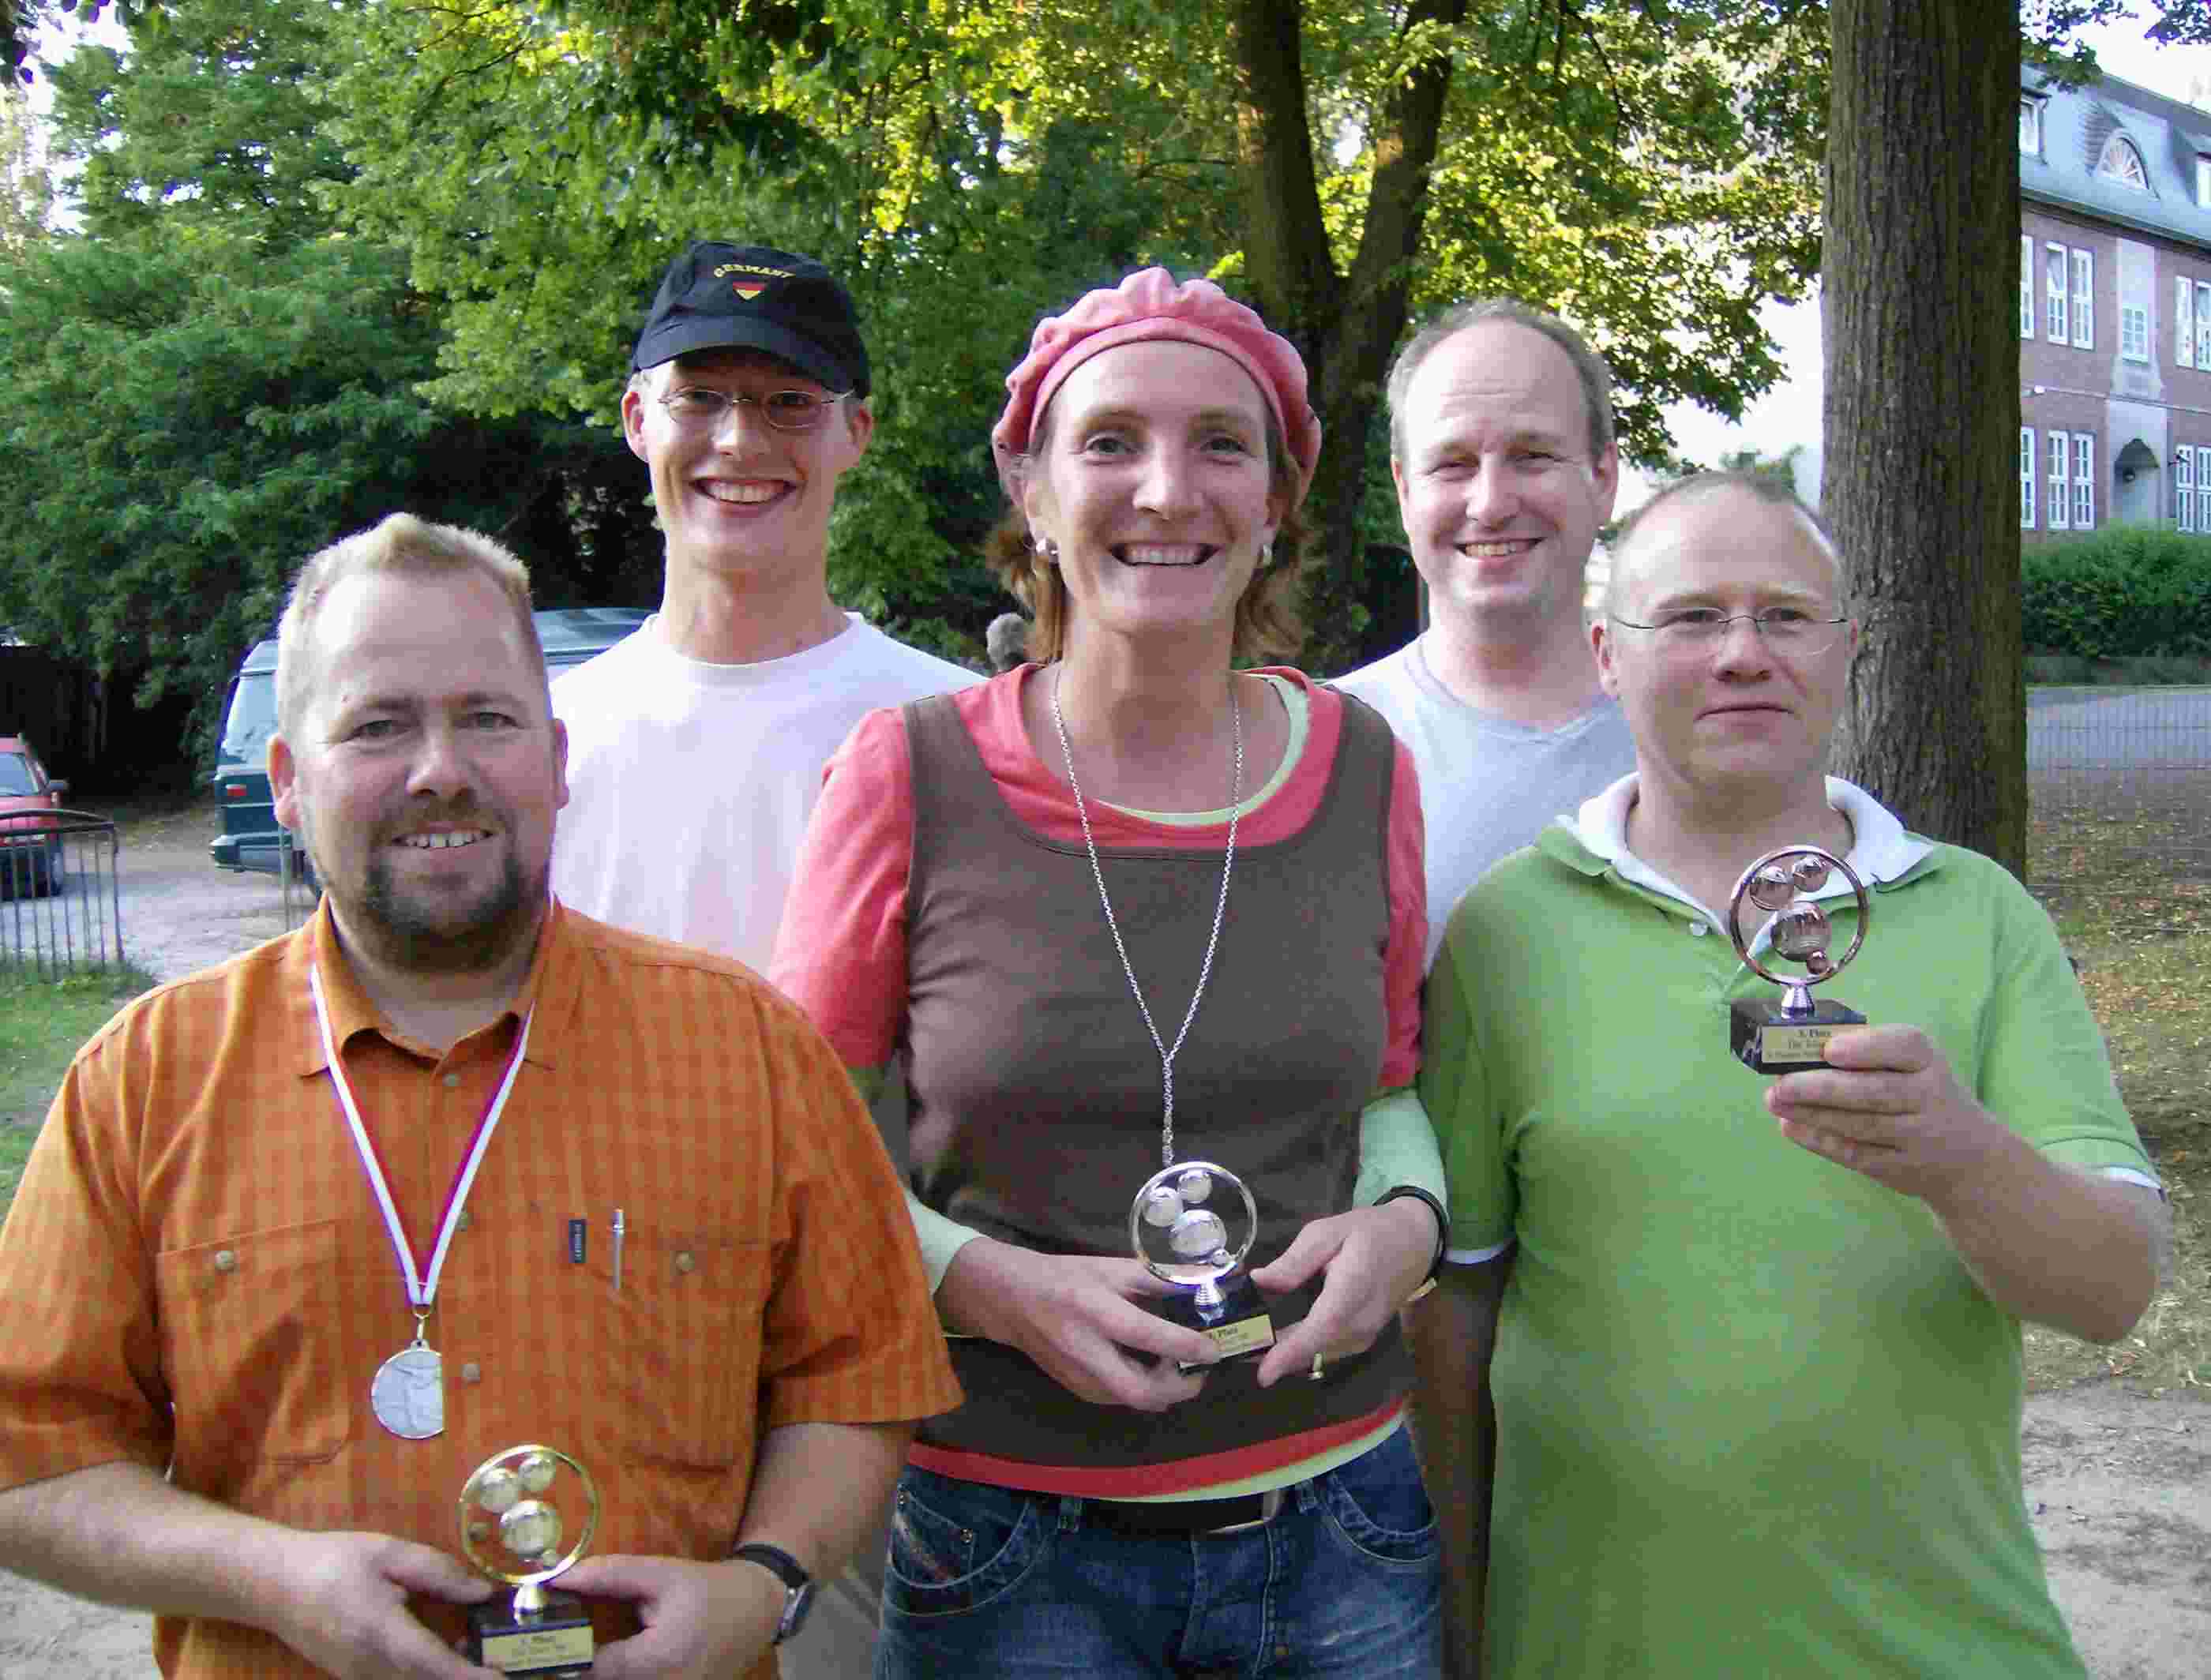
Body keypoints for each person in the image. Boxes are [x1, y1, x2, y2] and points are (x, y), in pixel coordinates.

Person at [0, 514, 960, 1680]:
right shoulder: (146, 1080)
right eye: (378, 726)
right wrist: (273, 1580)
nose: (440, 768)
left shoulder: (748, 1049)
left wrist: (763, 1585)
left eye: (486, 719)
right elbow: (31, 1463)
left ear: (558, 764)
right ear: (290, 785)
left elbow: (858, 1383)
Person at [771, 268, 1450, 1678]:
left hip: (1346, 1525)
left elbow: (1388, 1085)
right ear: (1033, 490)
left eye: (1221, 444)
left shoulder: (1366, 766)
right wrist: (980, 1281)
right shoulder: (911, 771)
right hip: (1016, 1543)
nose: (1166, 488)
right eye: (1110, 442)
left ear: (1275, 504)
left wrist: (1405, 1226)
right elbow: (795, 1149)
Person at [1414, 471, 2171, 1680]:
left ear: (1847, 651)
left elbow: (2113, 1293)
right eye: (1695, 617)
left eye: (1784, 616)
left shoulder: (1978, 916)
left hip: (1944, 1650)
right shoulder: (1506, 932)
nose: (1743, 654)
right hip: (1590, 1650)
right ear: (1609, 654)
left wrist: (1961, 1159)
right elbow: (1453, 1311)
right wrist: (1455, 1618)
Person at [551, 241, 978, 974]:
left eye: (790, 404)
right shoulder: (546, 742)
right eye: (699, 397)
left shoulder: (962, 737)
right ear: (637, 419)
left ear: (857, 432)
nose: (741, 439)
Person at [1336, 301, 1638, 969]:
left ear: (1604, 478)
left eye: (1532, 456)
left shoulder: (1700, 737)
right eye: (1453, 463)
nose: (1492, 502)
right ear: (1404, 488)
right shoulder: (1320, 752)